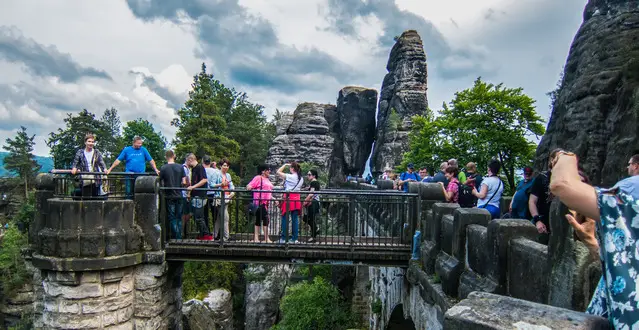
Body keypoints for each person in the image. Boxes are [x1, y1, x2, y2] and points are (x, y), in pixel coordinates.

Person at [550, 152, 639, 328]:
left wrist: (565, 156)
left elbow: (562, 185)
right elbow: (629, 260)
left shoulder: (633, 188)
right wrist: (592, 242)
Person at [529, 148, 561, 244]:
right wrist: (537, 220)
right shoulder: (542, 178)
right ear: (552, 160)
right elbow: (532, 201)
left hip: (559, 226)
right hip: (543, 223)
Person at [159, 150, 187, 239]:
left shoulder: (163, 168)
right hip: (179, 194)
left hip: (169, 195)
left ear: (166, 157)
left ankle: (177, 237)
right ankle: (179, 236)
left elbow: (160, 180)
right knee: (179, 217)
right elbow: (184, 182)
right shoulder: (180, 167)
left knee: (171, 217)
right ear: (174, 156)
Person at [71, 133, 107, 198]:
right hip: (84, 177)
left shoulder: (96, 152)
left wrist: (104, 169)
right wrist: (74, 168)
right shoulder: (80, 152)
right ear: (85, 142)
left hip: (95, 178)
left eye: (92, 142)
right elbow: (75, 162)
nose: (91, 143)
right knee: (85, 196)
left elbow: (101, 162)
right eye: (89, 141)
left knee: (95, 196)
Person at [185, 154, 211, 240]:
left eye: (187, 161)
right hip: (196, 195)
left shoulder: (199, 168)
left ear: (190, 160)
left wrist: (193, 187)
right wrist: (190, 193)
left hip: (200, 195)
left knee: (199, 217)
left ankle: (206, 234)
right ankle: (203, 234)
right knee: (197, 217)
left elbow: (204, 180)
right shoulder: (194, 169)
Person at [277, 162, 303, 243]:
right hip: (297, 199)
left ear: (292, 168)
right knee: (295, 219)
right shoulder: (301, 178)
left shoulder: (290, 176)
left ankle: (284, 238)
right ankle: (295, 238)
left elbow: (278, 172)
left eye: (290, 168)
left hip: (289, 199)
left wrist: (284, 165)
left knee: (285, 218)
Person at [246, 164, 273, 243]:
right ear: (263, 171)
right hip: (259, 203)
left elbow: (269, 192)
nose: (269, 171)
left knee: (258, 220)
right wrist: (249, 187)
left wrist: (275, 199)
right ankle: (266, 238)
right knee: (265, 219)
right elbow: (249, 185)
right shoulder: (258, 178)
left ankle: (256, 238)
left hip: (265, 203)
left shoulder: (267, 179)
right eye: (268, 170)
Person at [210, 159, 235, 241]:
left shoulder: (228, 175)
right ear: (221, 166)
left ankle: (214, 235)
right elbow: (211, 185)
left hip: (227, 198)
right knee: (225, 217)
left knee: (219, 218)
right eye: (224, 165)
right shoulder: (216, 174)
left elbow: (231, 186)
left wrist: (232, 192)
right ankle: (225, 237)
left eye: (227, 166)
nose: (226, 167)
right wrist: (220, 184)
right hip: (219, 198)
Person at [303, 169, 321, 243]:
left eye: (309, 174)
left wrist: (305, 201)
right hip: (313, 202)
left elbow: (311, 194)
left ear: (314, 175)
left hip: (313, 202)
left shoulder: (314, 182)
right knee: (308, 218)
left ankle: (313, 236)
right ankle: (316, 230)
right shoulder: (313, 183)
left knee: (310, 219)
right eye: (308, 174)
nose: (308, 176)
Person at [202, 155, 219, 233]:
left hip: (204, 193)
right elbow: (219, 175)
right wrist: (215, 167)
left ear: (203, 162)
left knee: (204, 214)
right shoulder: (215, 171)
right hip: (213, 193)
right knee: (215, 214)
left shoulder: (202, 170)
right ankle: (216, 231)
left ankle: (206, 231)